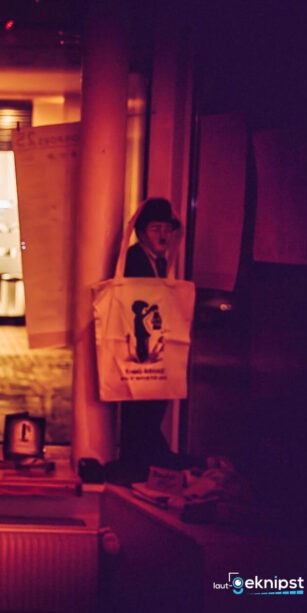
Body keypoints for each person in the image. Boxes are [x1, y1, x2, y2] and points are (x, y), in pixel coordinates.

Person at [113, 197, 182, 484]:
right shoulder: (135, 259)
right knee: (142, 401)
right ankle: (143, 461)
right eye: (156, 228)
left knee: (150, 400)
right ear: (141, 231)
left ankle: (147, 459)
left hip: (148, 342)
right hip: (138, 341)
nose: (163, 235)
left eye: (166, 228)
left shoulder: (159, 260)